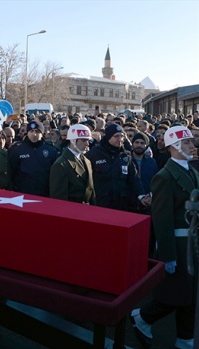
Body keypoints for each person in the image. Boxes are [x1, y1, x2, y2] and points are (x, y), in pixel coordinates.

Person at [131, 126, 197, 349]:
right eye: (187, 142)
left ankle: (185, 339)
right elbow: (162, 219)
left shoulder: (191, 171)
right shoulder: (165, 176)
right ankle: (143, 318)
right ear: (175, 146)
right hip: (178, 244)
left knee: (190, 295)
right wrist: (167, 254)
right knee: (177, 294)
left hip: (192, 243)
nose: (192, 146)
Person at [86, 124, 151, 211]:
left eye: (122, 136)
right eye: (116, 136)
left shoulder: (125, 156)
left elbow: (134, 179)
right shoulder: (94, 154)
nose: (119, 139)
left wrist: (141, 196)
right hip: (100, 204)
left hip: (121, 205)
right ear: (108, 137)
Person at [8, 120, 57, 197]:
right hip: (21, 195)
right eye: (31, 131)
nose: (34, 134)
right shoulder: (17, 149)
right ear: (27, 133)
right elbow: (10, 172)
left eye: (37, 131)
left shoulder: (50, 150)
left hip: (44, 195)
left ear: (42, 133)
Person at [50, 124, 95, 204]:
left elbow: (90, 190)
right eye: (83, 140)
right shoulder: (61, 164)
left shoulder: (87, 161)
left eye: (88, 140)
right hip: (72, 212)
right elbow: (59, 199)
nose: (87, 144)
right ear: (73, 140)